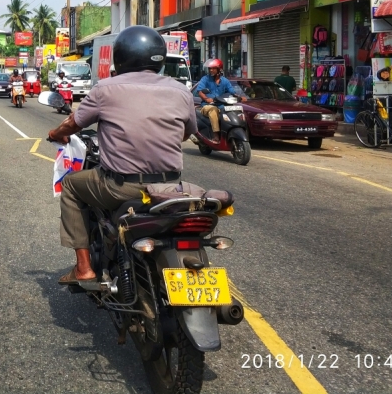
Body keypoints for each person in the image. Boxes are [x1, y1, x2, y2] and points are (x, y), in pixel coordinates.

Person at [48, 26, 197, 284]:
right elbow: (186, 133)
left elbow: (74, 124)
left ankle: (83, 269)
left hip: (123, 187)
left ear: (120, 57)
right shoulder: (181, 91)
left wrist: (55, 133)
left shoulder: (106, 88)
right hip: (170, 186)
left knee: (71, 186)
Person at [195, 59, 246, 144]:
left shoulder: (225, 81)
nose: (211, 70)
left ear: (219, 69)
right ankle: (216, 135)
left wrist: (240, 97)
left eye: (213, 68)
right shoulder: (205, 79)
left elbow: (232, 92)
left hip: (222, 106)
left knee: (234, 110)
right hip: (207, 106)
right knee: (213, 110)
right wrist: (206, 99)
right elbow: (200, 91)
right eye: (210, 68)